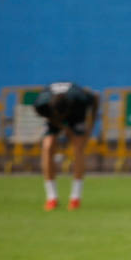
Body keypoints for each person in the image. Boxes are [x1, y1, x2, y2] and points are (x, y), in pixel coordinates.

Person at [34, 82, 99, 211]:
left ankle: (75, 197)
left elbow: (96, 98)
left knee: (79, 146)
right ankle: (51, 197)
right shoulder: (41, 104)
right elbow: (44, 119)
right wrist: (58, 123)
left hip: (75, 117)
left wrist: (90, 127)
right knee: (48, 146)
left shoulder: (80, 99)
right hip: (52, 119)